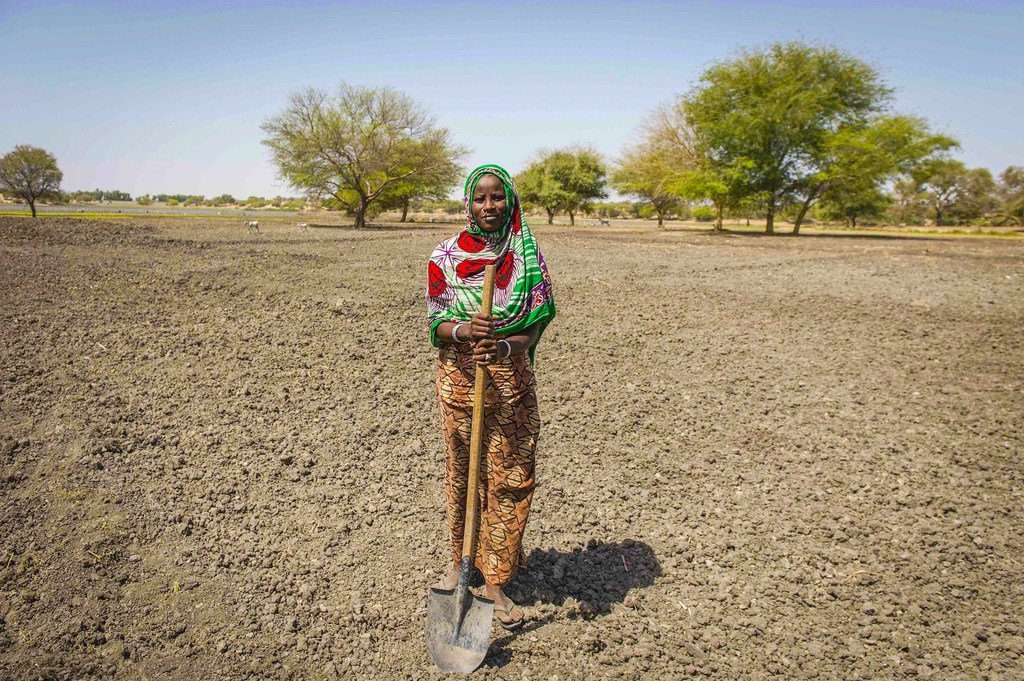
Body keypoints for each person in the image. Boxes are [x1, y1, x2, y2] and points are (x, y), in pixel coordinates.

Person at [426, 164, 556, 630]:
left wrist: (502, 344)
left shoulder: (525, 253)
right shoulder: (443, 255)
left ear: (510, 200)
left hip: (512, 387)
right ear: (468, 202)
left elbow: (535, 324)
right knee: (463, 475)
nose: (488, 206)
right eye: (479, 198)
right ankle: (462, 565)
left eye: (496, 197)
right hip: (461, 386)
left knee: (511, 478)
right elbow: (436, 324)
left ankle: (495, 579)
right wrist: (464, 330)